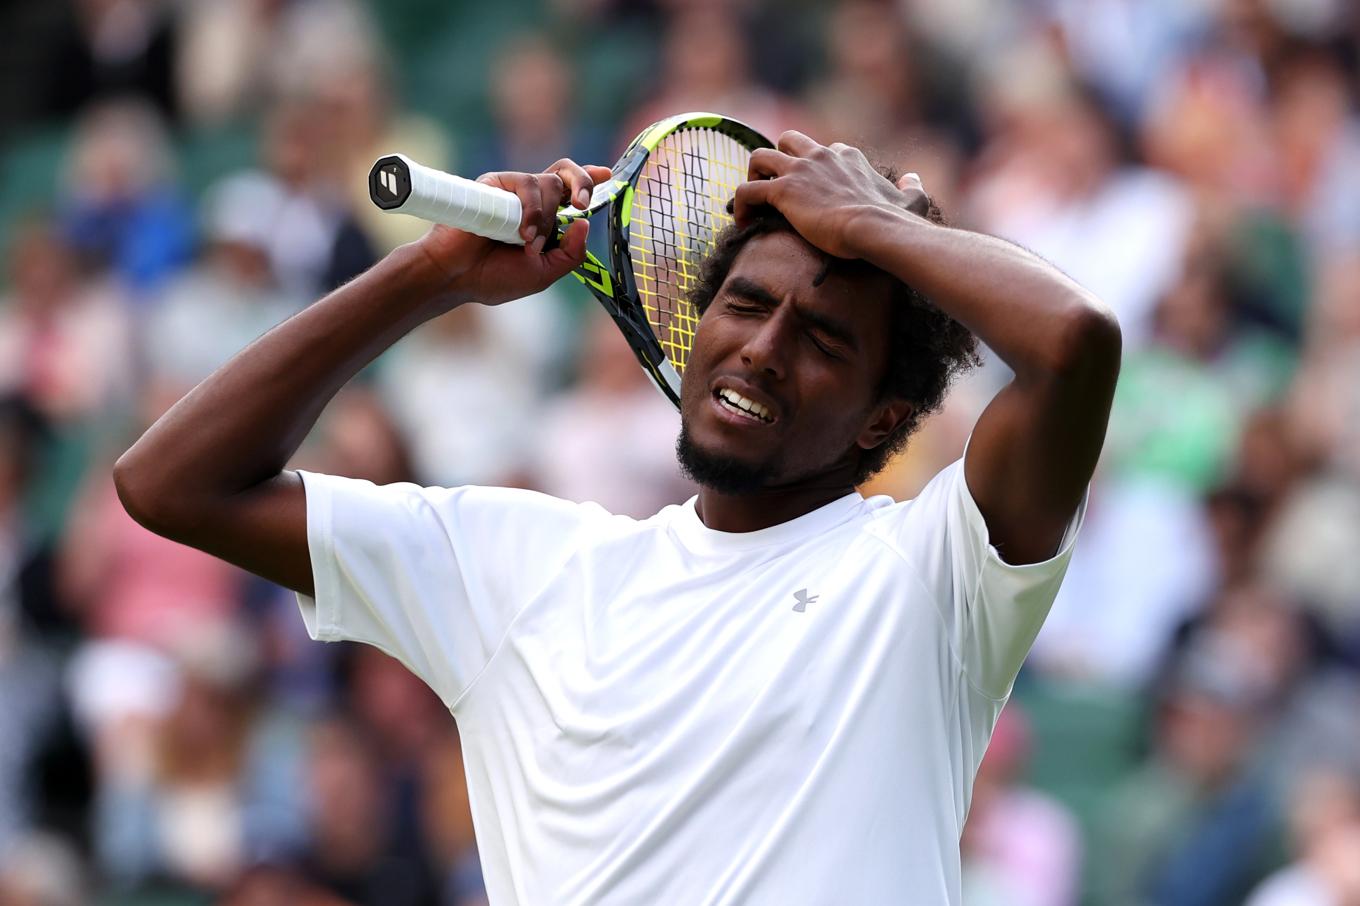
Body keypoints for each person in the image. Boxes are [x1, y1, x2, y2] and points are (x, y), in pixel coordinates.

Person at [113, 131, 1121, 904]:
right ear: (691, 329)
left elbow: (1075, 344)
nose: (762, 349)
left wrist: (877, 226)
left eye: (819, 337)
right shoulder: (522, 562)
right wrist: (429, 278)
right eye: (742, 304)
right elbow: (171, 483)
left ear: (884, 422)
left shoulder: (933, 573)